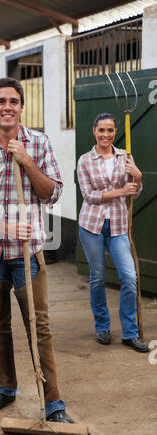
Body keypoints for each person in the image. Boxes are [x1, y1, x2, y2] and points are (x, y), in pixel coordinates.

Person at [0, 77, 74, 423]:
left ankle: (52, 402)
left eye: (13, 101)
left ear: (22, 107)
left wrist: (25, 160)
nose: (7, 106)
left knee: (39, 326)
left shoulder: (38, 143)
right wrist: (4, 227)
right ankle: (5, 387)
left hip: (29, 254)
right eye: (1, 101)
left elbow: (52, 193)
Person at [77, 112, 148, 353]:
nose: (105, 135)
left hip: (118, 225)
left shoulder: (125, 158)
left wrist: (138, 177)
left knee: (129, 277)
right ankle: (102, 327)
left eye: (110, 130)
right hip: (91, 226)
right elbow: (89, 196)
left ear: (115, 132)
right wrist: (119, 192)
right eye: (101, 130)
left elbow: (134, 192)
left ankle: (129, 333)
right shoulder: (85, 160)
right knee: (97, 277)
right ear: (94, 131)